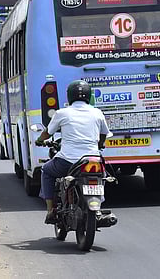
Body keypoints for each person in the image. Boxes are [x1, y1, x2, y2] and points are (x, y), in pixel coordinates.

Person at [35, 80, 111, 224]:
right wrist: (100, 144)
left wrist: (39, 140)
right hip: (92, 159)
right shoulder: (97, 112)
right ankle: (99, 207)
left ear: (69, 96)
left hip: (67, 162)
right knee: (102, 176)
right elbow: (103, 134)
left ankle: (50, 210)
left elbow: (47, 133)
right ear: (89, 95)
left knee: (46, 170)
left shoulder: (62, 113)